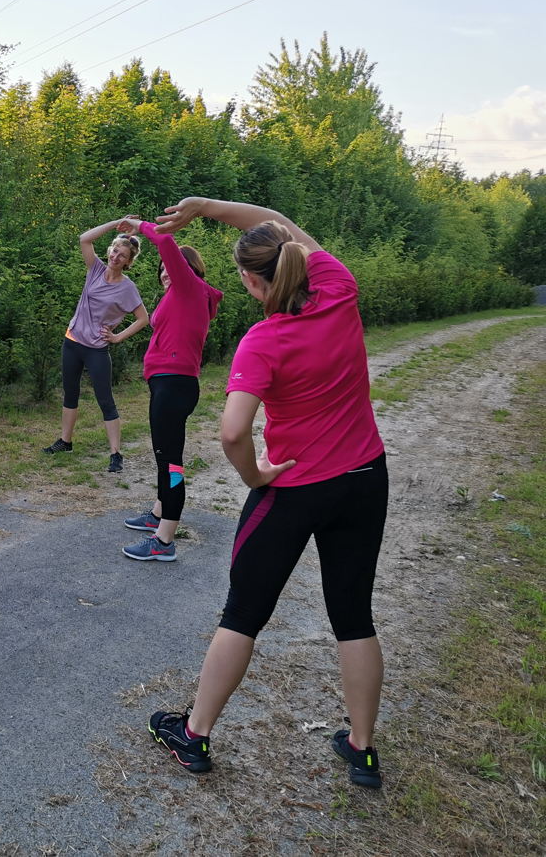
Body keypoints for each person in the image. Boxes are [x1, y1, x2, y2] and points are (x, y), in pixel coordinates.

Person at [143, 197, 388, 789]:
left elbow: (232, 431)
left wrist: (254, 475)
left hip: (293, 487)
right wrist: (204, 208)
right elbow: (277, 220)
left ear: (253, 282)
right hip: (363, 479)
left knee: (243, 614)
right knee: (353, 615)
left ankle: (194, 734)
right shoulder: (338, 286)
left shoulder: (263, 341)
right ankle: (361, 748)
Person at [120, 220, 222, 562]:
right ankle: (158, 512)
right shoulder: (181, 297)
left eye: (171, 268)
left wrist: (138, 226)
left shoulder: (189, 288)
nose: (165, 273)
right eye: (162, 270)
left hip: (173, 383)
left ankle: (164, 539)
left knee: (171, 463)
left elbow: (164, 240)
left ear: (188, 270)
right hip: (170, 382)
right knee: (165, 456)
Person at [42, 219, 150, 473]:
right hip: (72, 341)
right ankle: (65, 442)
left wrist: (117, 337)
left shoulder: (127, 288)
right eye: (114, 250)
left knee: (105, 400)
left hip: (97, 349)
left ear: (127, 261)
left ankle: (116, 454)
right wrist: (116, 224)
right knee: (70, 395)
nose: (115, 256)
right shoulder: (95, 269)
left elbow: (143, 319)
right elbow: (84, 238)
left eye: (122, 255)